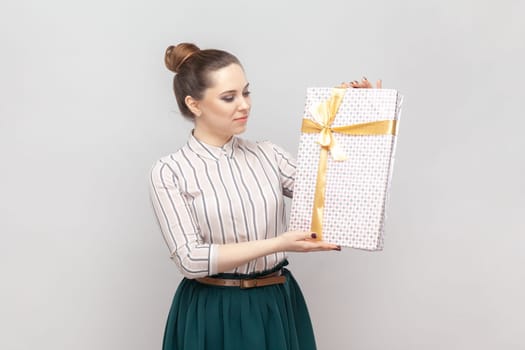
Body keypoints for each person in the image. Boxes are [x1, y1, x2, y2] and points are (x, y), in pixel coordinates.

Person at [149, 42, 381, 350]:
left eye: (246, 92)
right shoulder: (170, 171)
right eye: (229, 97)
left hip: (275, 302)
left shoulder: (268, 155)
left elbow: (337, 192)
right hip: (213, 310)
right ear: (195, 104)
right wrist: (280, 243)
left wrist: (353, 117)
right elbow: (190, 259)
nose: (244, 105)